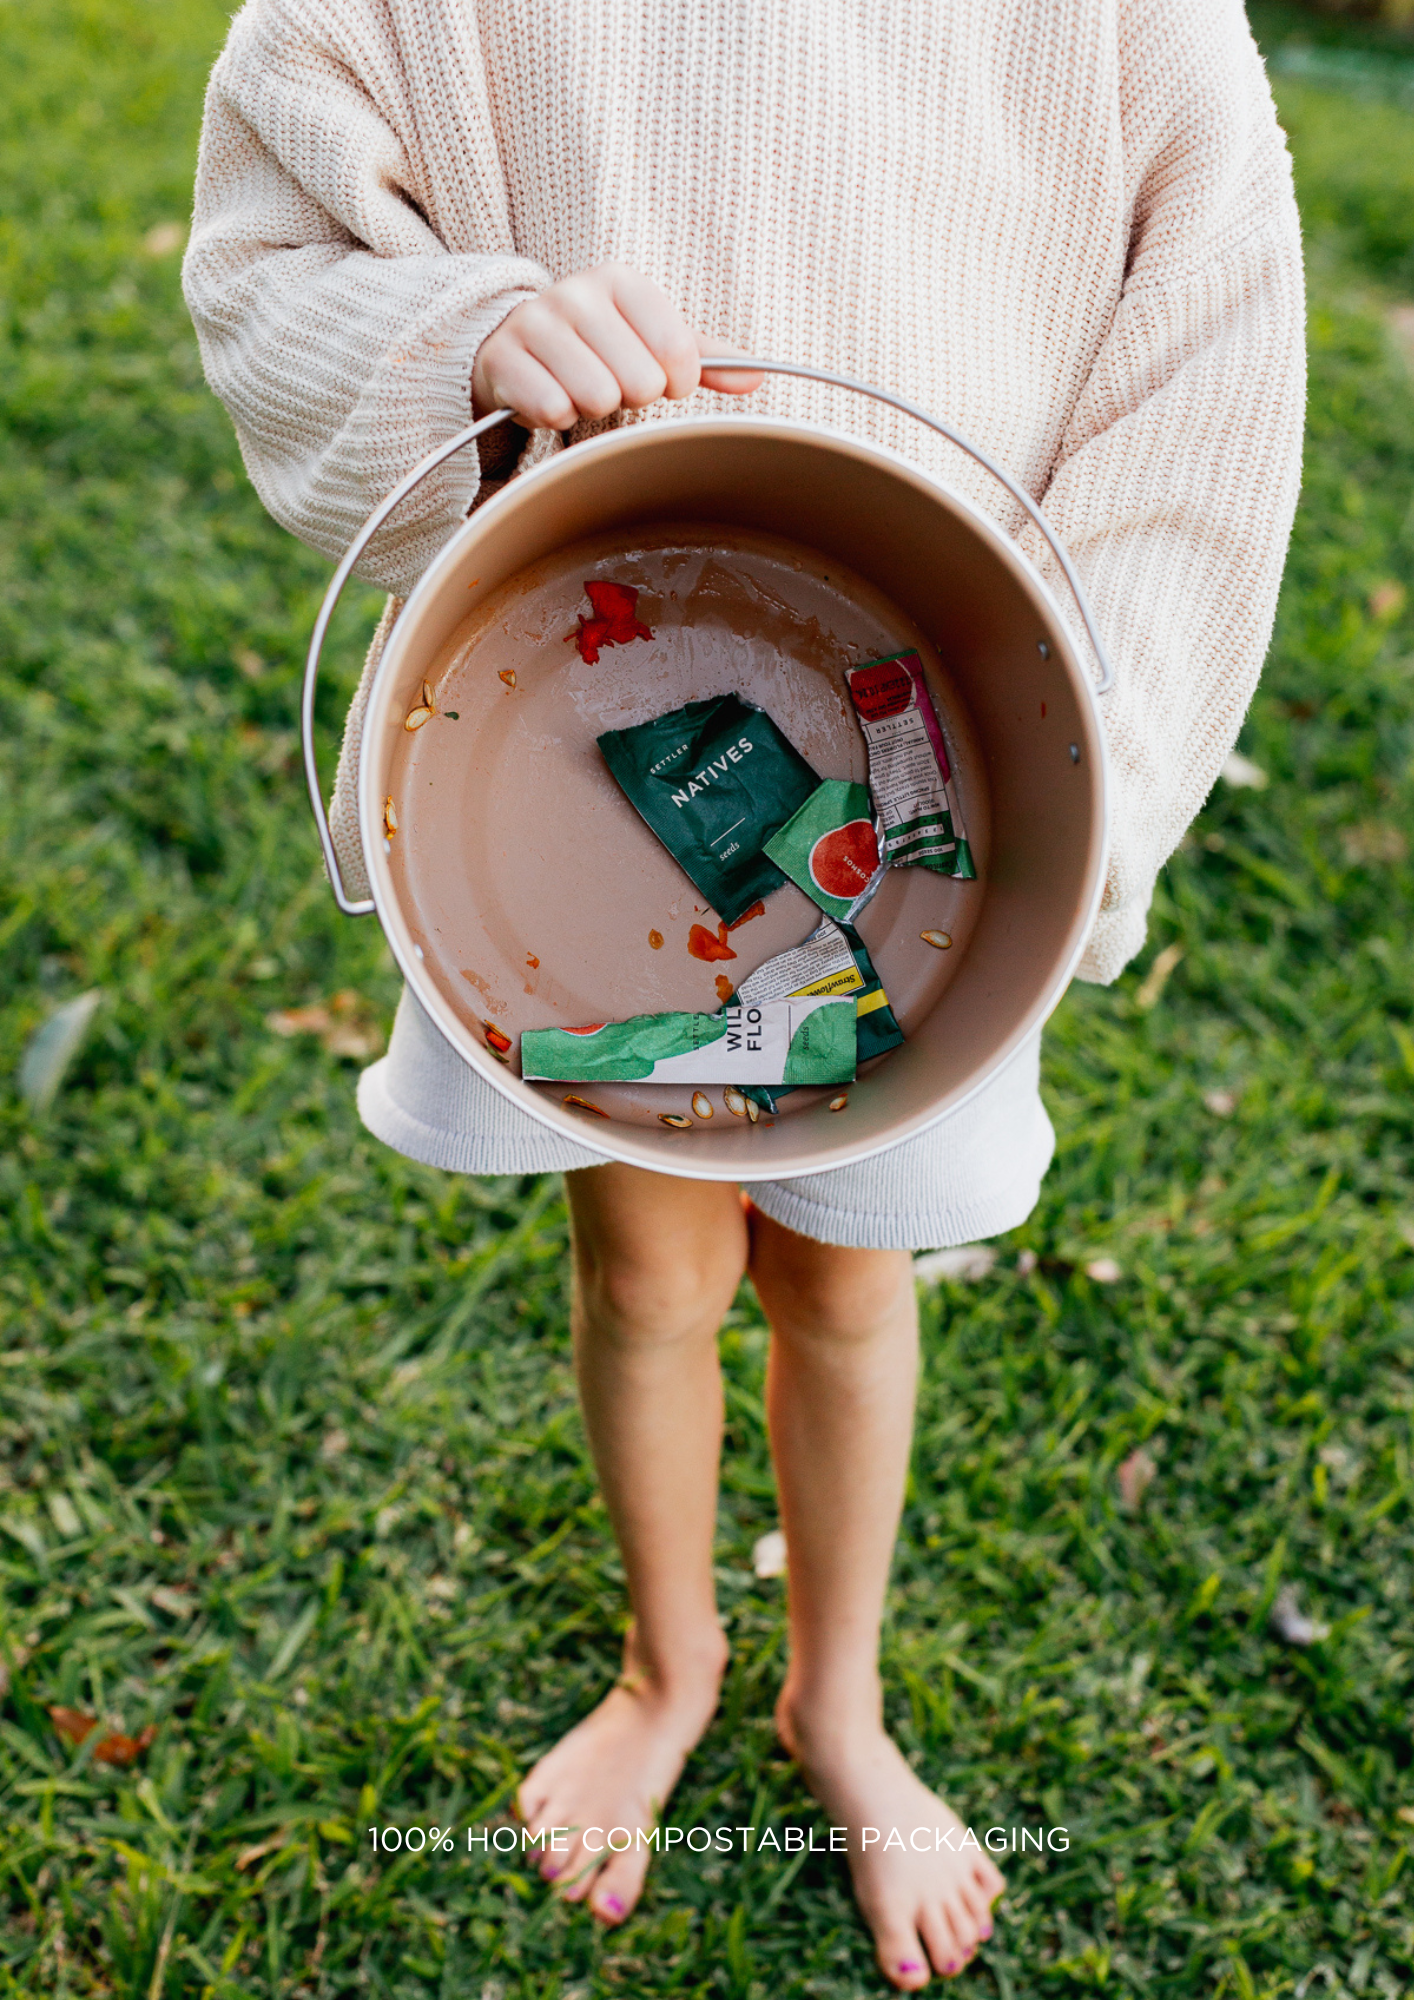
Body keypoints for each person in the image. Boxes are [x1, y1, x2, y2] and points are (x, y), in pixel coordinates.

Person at [183, 1, 1304, 1984]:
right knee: (644, 1271)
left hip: (943, 760)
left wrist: (1074, 775)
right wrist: (458, 336)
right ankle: (665, 1662)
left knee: (847, 1282)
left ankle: (836, 1698)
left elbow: (1207, 353)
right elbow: (275, 239)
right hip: (570, 731)